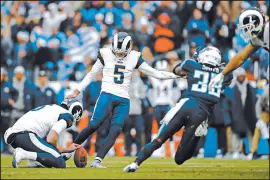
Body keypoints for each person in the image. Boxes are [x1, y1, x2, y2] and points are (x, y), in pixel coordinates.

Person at [65, 32, 179, 168]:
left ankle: (97, 161)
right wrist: (76, 91)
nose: (119, 55)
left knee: (115, 130)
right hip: (106, 95)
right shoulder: (105, 53)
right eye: (117, 53)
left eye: (122, 53)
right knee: (93, 125)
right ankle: (68, 153)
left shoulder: (134, 57)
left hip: (123, 99)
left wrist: (176, 75)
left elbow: (156, 73)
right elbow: (91, 75)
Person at [123, 46, 233, 172]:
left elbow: (176, 70)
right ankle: (197, 136)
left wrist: (194, 65)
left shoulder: (191, 65)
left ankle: (135, 164)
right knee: (179, 159)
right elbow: (226, 79)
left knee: (159, 139)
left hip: (185, 106)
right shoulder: (225, 75)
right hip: (201, 114)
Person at [4, 98, 83, 168]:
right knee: (60, 162)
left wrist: (61, 152)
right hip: (25, 134)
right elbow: (51, 139)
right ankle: (23, 154)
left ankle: (34, 161)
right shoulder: (67, 116)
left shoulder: (53, 108)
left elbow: (46, 140)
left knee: (56, 156)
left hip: (18, 135)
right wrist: (64, 149)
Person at [209, 7, 269, 90]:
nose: (245, 31)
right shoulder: (258, 38)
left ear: (255, 23)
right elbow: (241, 57)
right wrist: (222, 74)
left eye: (246, 27)